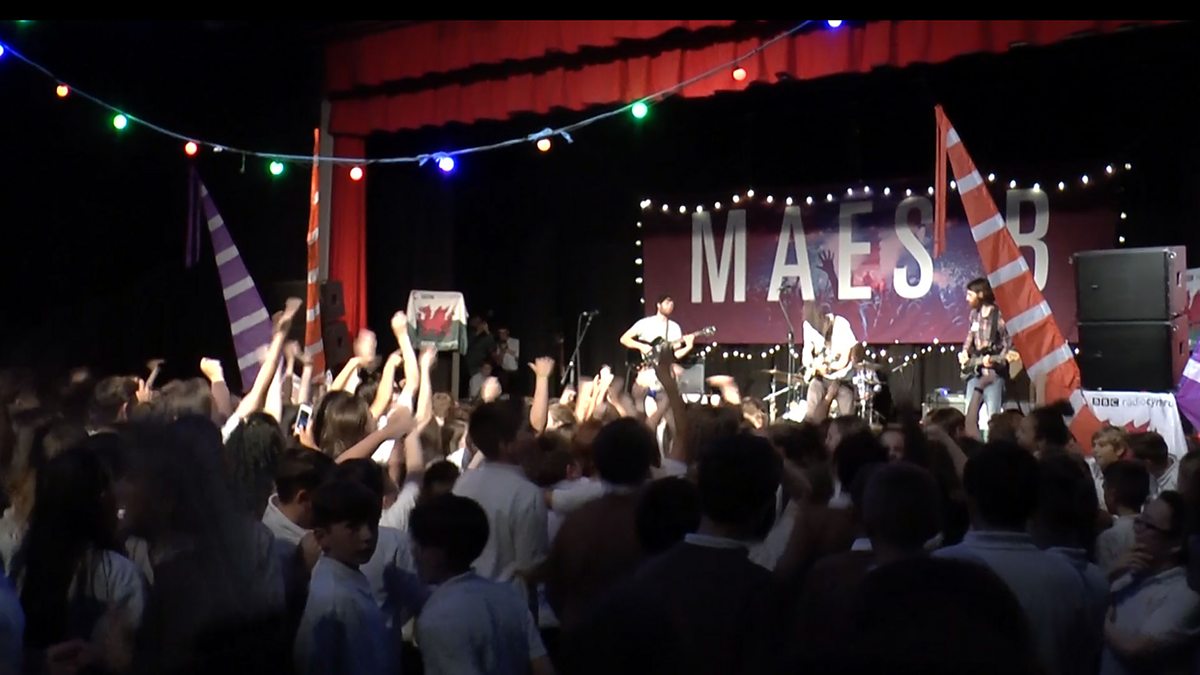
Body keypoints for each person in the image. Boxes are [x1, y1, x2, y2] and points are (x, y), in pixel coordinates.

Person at [411, 494, 553, 675]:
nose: (414, 553)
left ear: (440, 552)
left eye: (420, 545)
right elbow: (542, 667)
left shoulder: (437, 616)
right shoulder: (509, 598)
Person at [293, 479, 395, 675]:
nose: (367, 536)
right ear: (322, 537)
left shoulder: (348, 577)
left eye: (372, 525)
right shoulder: (330, 597)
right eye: (353, 528)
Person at [958, 278, 1012, 429]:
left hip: (993, 375)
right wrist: (964, 352)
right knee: (970, 415)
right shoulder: (974, 314)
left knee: (994, 419)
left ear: (981, 294)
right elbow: (970, 336)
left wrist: (997, 360)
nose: (967, 298)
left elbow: (1008, 344)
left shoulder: (999, 316)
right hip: (975, 374)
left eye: (970, 295)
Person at [619, 295, 694, 388]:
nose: (670, 305)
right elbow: (624, 339)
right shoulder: (645, 323)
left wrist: (688, 347)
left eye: (672, 304)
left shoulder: (675, 327)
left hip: (664, 367)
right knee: (641, 387)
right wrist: (641, 347)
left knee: (679, 372)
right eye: (667, 303)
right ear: (659, 305)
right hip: (646, 367)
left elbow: (674, 355)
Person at [802, 302, 857, 420]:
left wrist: (829, 368)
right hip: (820, 378)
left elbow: (844, 360)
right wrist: (815, 366)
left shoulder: (841, 325)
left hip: (842, 379)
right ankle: (810, 426)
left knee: (847, 415)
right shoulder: (808, 326)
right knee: (813, 394)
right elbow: (806, 354)